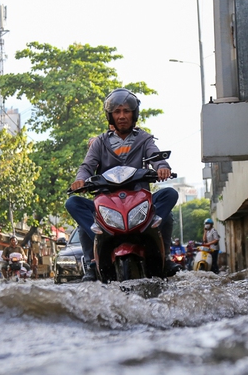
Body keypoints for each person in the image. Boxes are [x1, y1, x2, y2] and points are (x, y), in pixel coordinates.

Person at [66, 88, 180, 281]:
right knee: (73, 204)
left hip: (139, 199)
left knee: (169, 197)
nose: (122, 116)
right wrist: (80, 180)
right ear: (110, 116)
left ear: (133, 114)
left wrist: (162, 167)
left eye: (126, 111)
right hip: (107, 203)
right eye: (117, 112)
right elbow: (87, 165)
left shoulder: (144, 139)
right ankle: (93, 260)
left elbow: (156, 156)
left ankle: (164, 255)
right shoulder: (99, 142)